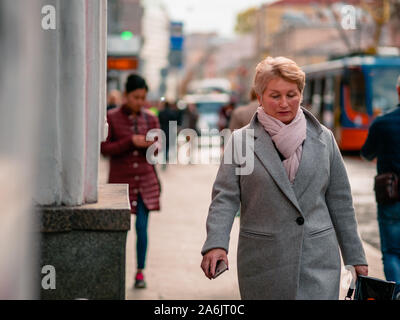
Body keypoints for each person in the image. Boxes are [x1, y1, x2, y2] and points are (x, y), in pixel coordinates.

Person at [200, 56, 368, 300]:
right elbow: (225, 198)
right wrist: (216, 244)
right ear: (259, 97)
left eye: (291, 94)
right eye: (275, 96)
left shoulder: (324, 139)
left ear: (301, 94)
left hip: (318, 262)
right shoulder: (242, 142)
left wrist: (356, 258)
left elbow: (341, 203)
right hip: (263, 262)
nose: (284, 103)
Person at [101, 74, 161, 289]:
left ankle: (140, 271)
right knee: (119, 230)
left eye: (142, 98)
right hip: (121, 183)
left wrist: (150, 145)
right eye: (135, 97)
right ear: (126, 95)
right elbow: (105, 149)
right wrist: (130, 142)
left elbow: (157, 151)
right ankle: (113, 273)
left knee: (142, 229)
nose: (139, 102)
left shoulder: (151, 118)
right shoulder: (112, 117)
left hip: (145, 182)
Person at [361, 75, 400, 299]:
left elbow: (367, 153)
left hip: (391, 194)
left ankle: (397, 294)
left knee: (392, 252)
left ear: (398, 91)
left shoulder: (383, 122)